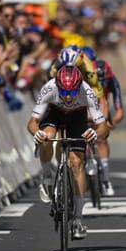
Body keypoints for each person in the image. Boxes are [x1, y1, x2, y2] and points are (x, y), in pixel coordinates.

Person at [28, 66, 108, 239]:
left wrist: (95, 132)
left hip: (77, 116)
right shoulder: (49, 88)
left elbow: (103, 127)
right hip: (55, 113)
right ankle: (47, 175)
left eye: (73, 91)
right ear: (57, 86)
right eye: (64, 91)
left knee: (77, 163)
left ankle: (78, 219)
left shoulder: (86, 91)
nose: (69, 96)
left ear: (79, 87)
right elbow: (32, 122)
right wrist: (37, 133)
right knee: (47, 137)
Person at [95, 58, 124, 196]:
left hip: (103, 106)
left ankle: (106, 178)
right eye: (98, 81)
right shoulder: (84, 80)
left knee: (102, 138)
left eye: (104, 82)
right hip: (87, 105)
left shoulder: (113, 80)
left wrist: (109, 123)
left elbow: (119, 112)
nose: (101, 84)